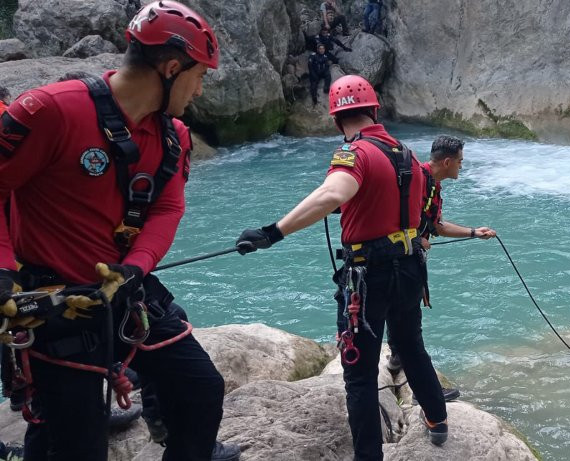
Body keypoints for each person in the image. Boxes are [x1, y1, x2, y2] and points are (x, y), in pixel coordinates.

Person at [0, 2, 238, 460]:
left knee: (200, 389)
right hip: (52, 303)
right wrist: (4, 269)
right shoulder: (51, 111)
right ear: (172, 68)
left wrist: (135, 267)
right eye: (199, 76)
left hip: (125, 291)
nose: (199, 90)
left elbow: (167, 208)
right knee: (77, 442)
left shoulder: (172, 137)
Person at [235, 74, 449, 459]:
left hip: (368, 276)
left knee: (360, 375)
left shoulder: (354, 153)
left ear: (337, 119)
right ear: (374, 111)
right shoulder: (408, 155)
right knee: (410, 345)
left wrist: (272, 233)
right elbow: (405, 209)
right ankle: (437, 419)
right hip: (409, 268)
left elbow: (334, 192)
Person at [385, 135, 496, 392]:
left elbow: (437, 226)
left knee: (400, 313)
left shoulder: (432, 184)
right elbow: (394, 218)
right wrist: (415, 239)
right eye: (460, 161)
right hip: (399, 260)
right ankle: (422, 389)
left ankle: (397, 358)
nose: (461, 166)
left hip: (406, 259)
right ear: (447, 162)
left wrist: (473, 232)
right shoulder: (416, 179)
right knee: (410, 325)